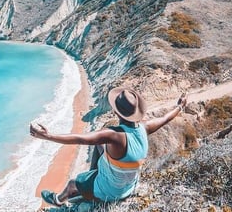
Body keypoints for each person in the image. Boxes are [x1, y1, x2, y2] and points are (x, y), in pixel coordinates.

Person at [29, 87, 187, 207]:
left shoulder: (114, 136)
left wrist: (47, 136)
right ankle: (93, 177)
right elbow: (165, 118)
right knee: (99, 146)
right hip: (129, 186)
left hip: (112, 192)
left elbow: (80, 139)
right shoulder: (145, 128)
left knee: (72, 183)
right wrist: (179, 107)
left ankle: (57, 200)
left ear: (117, 112)